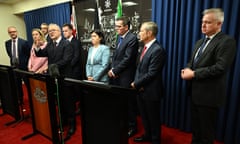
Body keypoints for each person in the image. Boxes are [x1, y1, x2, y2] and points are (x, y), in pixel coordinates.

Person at [181, 8, 236, 144]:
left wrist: (193, 73)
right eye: (202, 22)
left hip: (209, 96)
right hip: (194, 94)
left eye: (208, 22)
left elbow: (220, 68)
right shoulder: (199, 42)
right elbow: (192, 61)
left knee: (206, 134)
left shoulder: (226, 41)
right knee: (196, 131)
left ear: (219, 24)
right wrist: (187, 68)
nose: (203, 25)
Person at [34, 23, 74, 141]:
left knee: (68, 104)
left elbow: (66, 60)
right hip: (54, 79)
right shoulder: (50, 44)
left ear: (59, 31)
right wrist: (37, 46)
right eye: (49, 31)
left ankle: (72, 126)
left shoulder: (67, 44)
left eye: (53, 30)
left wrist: (48, 67)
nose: (51, 32)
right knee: (59, 103)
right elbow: (41, 54)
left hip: (65, 79)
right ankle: (64, 122)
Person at [131, 22, 166, 144]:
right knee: (144, 117)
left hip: (151, 91)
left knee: (153, 118)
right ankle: (147, 135)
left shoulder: (157, 50)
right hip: (141, 90)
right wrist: (137, 83)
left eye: (141, 31)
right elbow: (139, 69)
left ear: (149, 33)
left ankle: (155, 140)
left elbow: (152, 73)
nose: (139, 33)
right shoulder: (145, 47)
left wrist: (136, 84)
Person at [108, 16, 139, 137]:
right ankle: (123, 123)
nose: (116, 29)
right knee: (120, 102)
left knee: (129, 103)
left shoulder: (132, 38)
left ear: (126, 27)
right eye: (116, 26)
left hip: (126, 76)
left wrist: (114, 70)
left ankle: (132, 127)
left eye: (119, 26)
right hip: (117, 75)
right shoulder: (119, 37)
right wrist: (112, 69)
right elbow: (116, 57)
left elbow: (128, 59)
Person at [5, 26, 31, 104]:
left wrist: (27, 66)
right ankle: (20, 100)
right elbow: (10, 54)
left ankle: (31, 100)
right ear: (8, 33)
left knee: (28, 85)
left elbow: (29, 55)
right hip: (14, 68)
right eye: (10, 32)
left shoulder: (24, 42)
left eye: (14, 31)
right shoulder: (7, 43)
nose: (12, 33)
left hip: (24, 68)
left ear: (16, 32)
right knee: (17, 85)